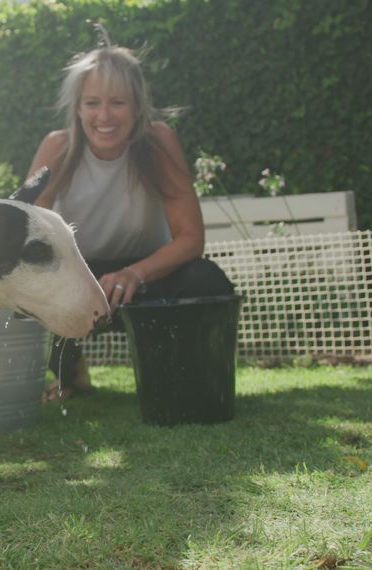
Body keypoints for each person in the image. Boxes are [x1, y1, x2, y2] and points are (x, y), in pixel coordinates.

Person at [26, 43, 234, 400]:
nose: (104, 116)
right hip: (81, 277)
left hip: (150, 276)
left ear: (137, 107)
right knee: (32, 282)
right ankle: (68, 374)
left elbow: (190, 239)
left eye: (117, 103)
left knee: (207, 279)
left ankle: (194, 374)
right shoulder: (56, 148)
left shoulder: (159, 141)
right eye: (92, 103)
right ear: (77, 108)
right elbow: (24, 232)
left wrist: (134, 273)